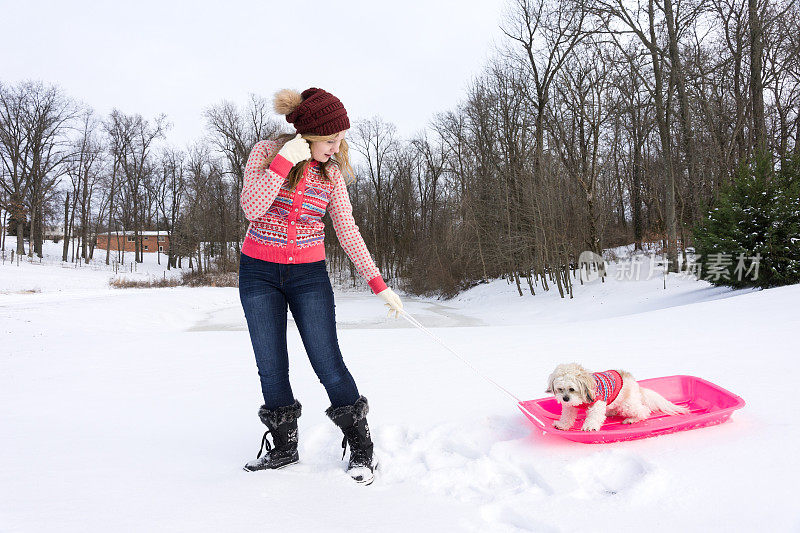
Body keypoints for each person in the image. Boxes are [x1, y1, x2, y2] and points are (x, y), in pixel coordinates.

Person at [238, 87, 403, 485]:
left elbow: (346, 227)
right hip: (258, 273)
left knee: (327, 361)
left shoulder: (330, 175)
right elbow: (252, 207)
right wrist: (282, 163)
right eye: (331, 139)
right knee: (271, 366)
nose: (337, 147)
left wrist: (378, 283)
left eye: (341, 138)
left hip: (309, 277)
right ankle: (284, 447)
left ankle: (362, 447)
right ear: (308, 134)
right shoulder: (265, 153)